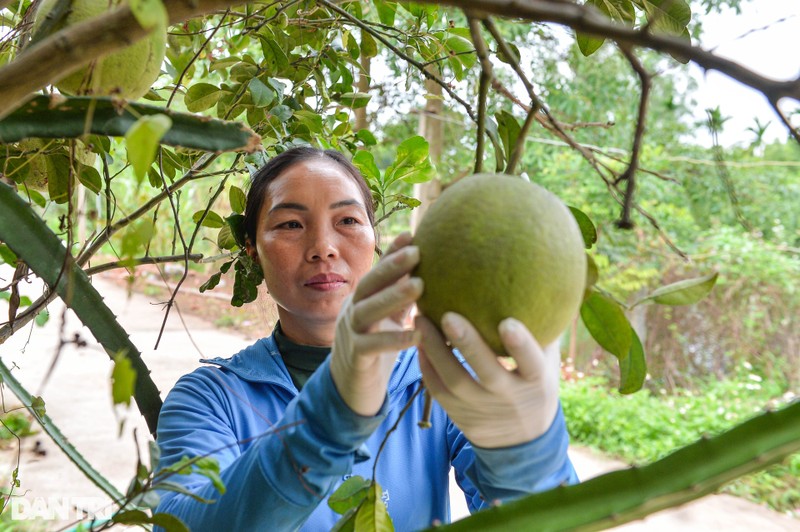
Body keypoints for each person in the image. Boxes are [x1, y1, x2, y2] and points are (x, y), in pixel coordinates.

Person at [154, 146, 578, 530]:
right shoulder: (209, 399)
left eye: (348, 221)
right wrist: (325, 421)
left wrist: (530, 462)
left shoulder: (438, 382)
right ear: (252, 248)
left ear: (376, 240)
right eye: (290, 223)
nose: (323, 247)